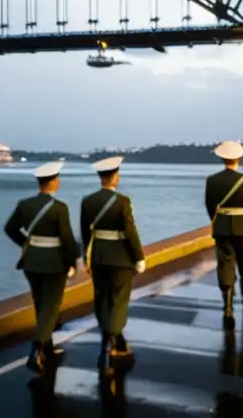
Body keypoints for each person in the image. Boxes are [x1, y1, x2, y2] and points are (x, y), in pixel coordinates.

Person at [4, 161, 80, 373]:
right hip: (54, 262)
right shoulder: (60, 208)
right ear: (54, 182)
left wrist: (26, 244)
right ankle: (36, 349)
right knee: (51, 306)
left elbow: (10, 228)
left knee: (40, 304)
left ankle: (47, 346)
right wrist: (71, 263)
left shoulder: (24, 204)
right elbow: (66, 239)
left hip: (31, 260)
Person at [81, 155, 146, 370]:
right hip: (120, 257)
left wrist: (86, 257)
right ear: (114, 176)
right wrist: (139, 257)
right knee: (118, 300)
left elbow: (85, 233)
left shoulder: (88, 201)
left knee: (101, 298)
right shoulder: (122, 201)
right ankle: (111, 343)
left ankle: (109, 338)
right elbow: (130, 232)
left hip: (99, 256)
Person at [205, 140, 243, 327]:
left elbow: (210, 206)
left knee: (225, 265)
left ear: (222, 158)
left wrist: (219, 220)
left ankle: (228, 305)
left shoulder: (212, 180)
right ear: (238, 159)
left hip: (222, 227)